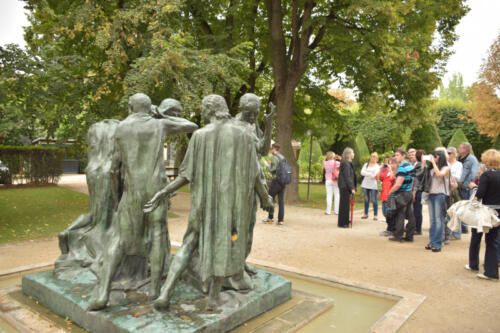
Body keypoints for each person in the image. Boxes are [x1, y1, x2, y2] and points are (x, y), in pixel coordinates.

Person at [144, 94, 274, 310]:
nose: (202, 113)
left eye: (203, 109)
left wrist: (164, 192)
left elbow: (185, 175)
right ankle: (214, 297)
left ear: (210, 110)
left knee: (188, 243)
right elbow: (254, 173)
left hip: (202, 205)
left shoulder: (200, 136)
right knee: (226, 243)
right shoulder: (242, 135)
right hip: (230, 206)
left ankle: (165, 293)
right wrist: (265, 197)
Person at [88, 94, 198, 311]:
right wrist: (161, 115)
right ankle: (156, 290)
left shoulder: (120, 129)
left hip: (133, 191)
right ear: (149, 109)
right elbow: (191, 125)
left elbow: (113, 169)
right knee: (157, 236)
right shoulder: (159, 125)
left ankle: (103, 293)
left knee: (118, 240)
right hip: (155, 190)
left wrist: (117, 195)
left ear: (130, 107)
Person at [466, 149, 500, 280]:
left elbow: (480, 194)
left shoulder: (487, 175)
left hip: (485, 211)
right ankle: (491, 271)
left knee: (476, 236)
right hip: (498, 211)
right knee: (493, 241)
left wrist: (474, 186)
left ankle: (473, 264)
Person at [424, 150, 451, 252]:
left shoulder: (446, 167)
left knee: (438, 219)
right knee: (432, 220)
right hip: (431, 194)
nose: (433, 158)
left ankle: (438, 243)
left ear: (439, 157)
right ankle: (432, 242)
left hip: (440, 194)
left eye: (435, 157)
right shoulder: (431, 167)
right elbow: (423, 175)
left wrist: (434, 163)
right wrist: (425, 163)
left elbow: (439, 174)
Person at [388, 150, 415, 242]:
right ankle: (409, 237)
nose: (395, 157)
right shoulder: (410, 166)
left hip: (402, 194)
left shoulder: (402, 168)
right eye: (395, 155)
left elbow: (398, 184)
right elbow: (412, 181)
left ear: (404, 156)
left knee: (400, 215)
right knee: (411, 215)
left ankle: (398, 237)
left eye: (397, 155)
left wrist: (390, 192)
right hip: (409, 193)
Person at [262, 143, 287, 226]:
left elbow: (272, 169)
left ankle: (270, 218)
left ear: (274, 149)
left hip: (276, 181)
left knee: (270, 198)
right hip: (283, 181)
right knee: (281, 201)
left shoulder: (274, 157)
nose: (271, 150)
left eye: (271, 149)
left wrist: (267, 166)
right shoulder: (283, 157)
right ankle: (280, 221)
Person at [458, 142, 479, 234]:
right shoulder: (459, 159)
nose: (458, 149)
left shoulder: (472, 159)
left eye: (460, 148)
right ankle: (462, 226)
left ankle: (465, 227)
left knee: (466, 207)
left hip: (466, 187)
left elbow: (474, 172)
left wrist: (467, 184)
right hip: (459, 186)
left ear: (465, 149)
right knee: (460, 207)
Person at [447, 146, 463, 240]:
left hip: (455, 189)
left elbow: (458, 177)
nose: (448, 155)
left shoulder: (459, 164)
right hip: (446, 188)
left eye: (449, 153)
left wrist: (449, 175)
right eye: (447, 153)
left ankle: (457, 233)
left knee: (456, 211)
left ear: (454, 154)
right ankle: (449, 232)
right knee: (448, 211)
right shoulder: (445, 163)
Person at [338, 148, 356, 228]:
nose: (354, 154)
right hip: (345, 186)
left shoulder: (348, 163)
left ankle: (344, 221)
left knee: (345, 205)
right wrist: (352, 187)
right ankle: (343, 222)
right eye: (353, 152)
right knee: (344, 205)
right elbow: (347, 176)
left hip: (345, 186)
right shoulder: (346, 163)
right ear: (349, 154)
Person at [379, 157, 397, 236]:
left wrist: (390, 169)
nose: (390, 164)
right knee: (385, 213)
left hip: (390, 195)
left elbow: (393, 179)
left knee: (390, 213)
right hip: (384, 194)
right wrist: (380, 169)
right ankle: (390, 228)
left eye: (391, 163)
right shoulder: (386, 171)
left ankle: (391, 229)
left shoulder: (396, 172)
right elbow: (379, 178)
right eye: (389, 163)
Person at [361, 152, 381, 220]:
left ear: (377, 159)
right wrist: (370, 173)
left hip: (374, 185)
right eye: (372, 156)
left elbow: (374, 175)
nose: (373, 158)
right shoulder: (366, 164)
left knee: (374, 200)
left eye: (374, 157)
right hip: (365, 185)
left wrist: (366, 173)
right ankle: (365, 214)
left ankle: (375, 215)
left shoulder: (377, 166)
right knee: (366, 199)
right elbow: (362, 172)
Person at [412, 150, 425, 235]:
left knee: (417, 210)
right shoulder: (423, 165)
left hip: (418, 191)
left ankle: (417, 229)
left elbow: (417, 180)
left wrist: (414, 192)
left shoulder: (419, 165)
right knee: (417, 210)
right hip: (421, 190)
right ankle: (417, 228)